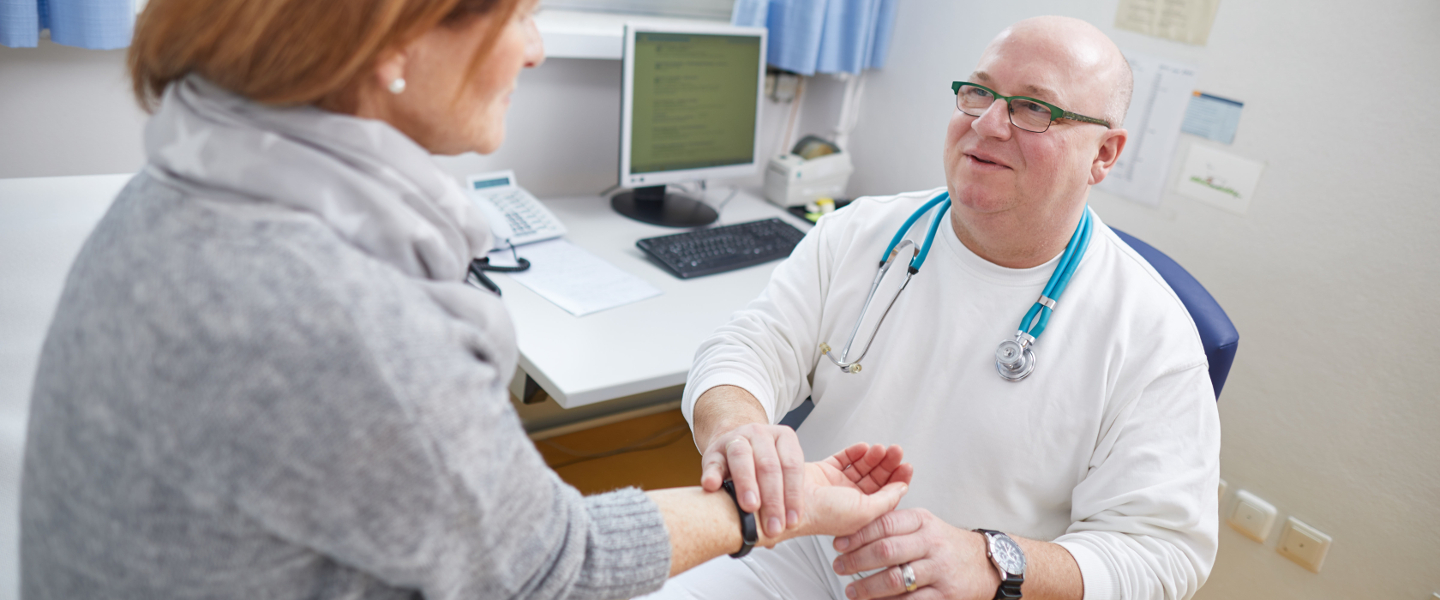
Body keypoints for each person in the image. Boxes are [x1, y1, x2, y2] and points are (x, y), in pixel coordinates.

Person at [18, 0, 915, 598]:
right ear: (393, 41)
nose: (535, 44)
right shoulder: (348, 316)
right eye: (516, 11)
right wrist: (761, 512)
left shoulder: (186, 181)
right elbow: (550, 565)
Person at [646, 15, 1222, 600]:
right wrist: (739, 428)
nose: (989, 123)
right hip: (797, 550)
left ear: (1104, 153)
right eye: (978, 93)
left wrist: (994, 561)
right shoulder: (860, 232)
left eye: (1033, 109)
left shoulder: (1152, 334)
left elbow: (1163, 551)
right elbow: (744, 348)